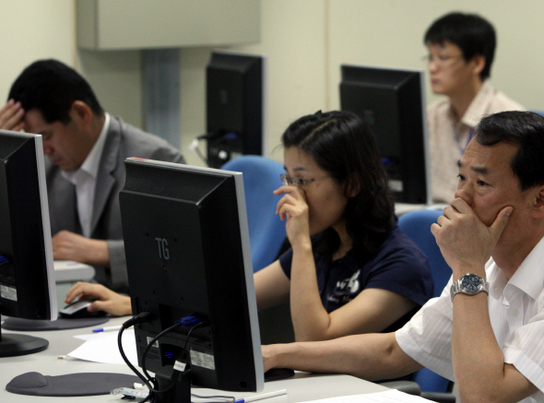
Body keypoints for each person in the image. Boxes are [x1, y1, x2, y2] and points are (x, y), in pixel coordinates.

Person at [262, 111, 544, 403]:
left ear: (540, 200)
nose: (460, 197)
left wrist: (468, 269)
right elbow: (392, 351)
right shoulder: (489, 266)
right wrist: (274, 355)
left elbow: (483, 396)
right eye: (461, 178)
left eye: (481, 183)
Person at [67, 111, 434, 343]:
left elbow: (314, 337)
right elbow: (230, 294)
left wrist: (301, 245)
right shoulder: (329, 244)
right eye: (288, 177)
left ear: (352, 185)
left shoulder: (400, 265)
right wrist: (131, 304)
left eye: (304, 181)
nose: (291, 192)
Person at [4, 59, 185, 292]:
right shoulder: (47, 165)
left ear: (81, 113)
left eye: (46, 136)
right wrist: (5, 152)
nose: (43, 150)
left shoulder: (155, 160)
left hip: (130, 314)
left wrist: (101, 252)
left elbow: (181, 259)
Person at [425, 12, 525, 203]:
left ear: (477, 63)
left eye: (443, 57)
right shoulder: (431, 114)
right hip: (431, 217)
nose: (432, 67)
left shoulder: (510, 121)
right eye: (430, 57)